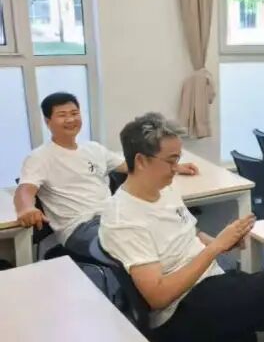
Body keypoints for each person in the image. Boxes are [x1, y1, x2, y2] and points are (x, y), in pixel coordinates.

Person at [99, 112, 264, 342]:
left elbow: (188, 233)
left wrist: (221, 242)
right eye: (171, 161)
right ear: (141, 161)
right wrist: (215, 248)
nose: (176, 168)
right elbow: (158, 296)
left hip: (212, 282)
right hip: (181, 309)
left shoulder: (163, 189)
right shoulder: (124, 219)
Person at [15, 91, 197, 258]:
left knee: (167, 228)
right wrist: (26, 209)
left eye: (74, 113)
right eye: (62, 115)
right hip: (81, 228)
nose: (70, 119)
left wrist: (173, 166)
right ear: (48, 121)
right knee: (140, 242)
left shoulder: (93, 148)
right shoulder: (40, 157)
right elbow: (25, 189)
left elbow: (131, 166)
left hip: (112, 216)